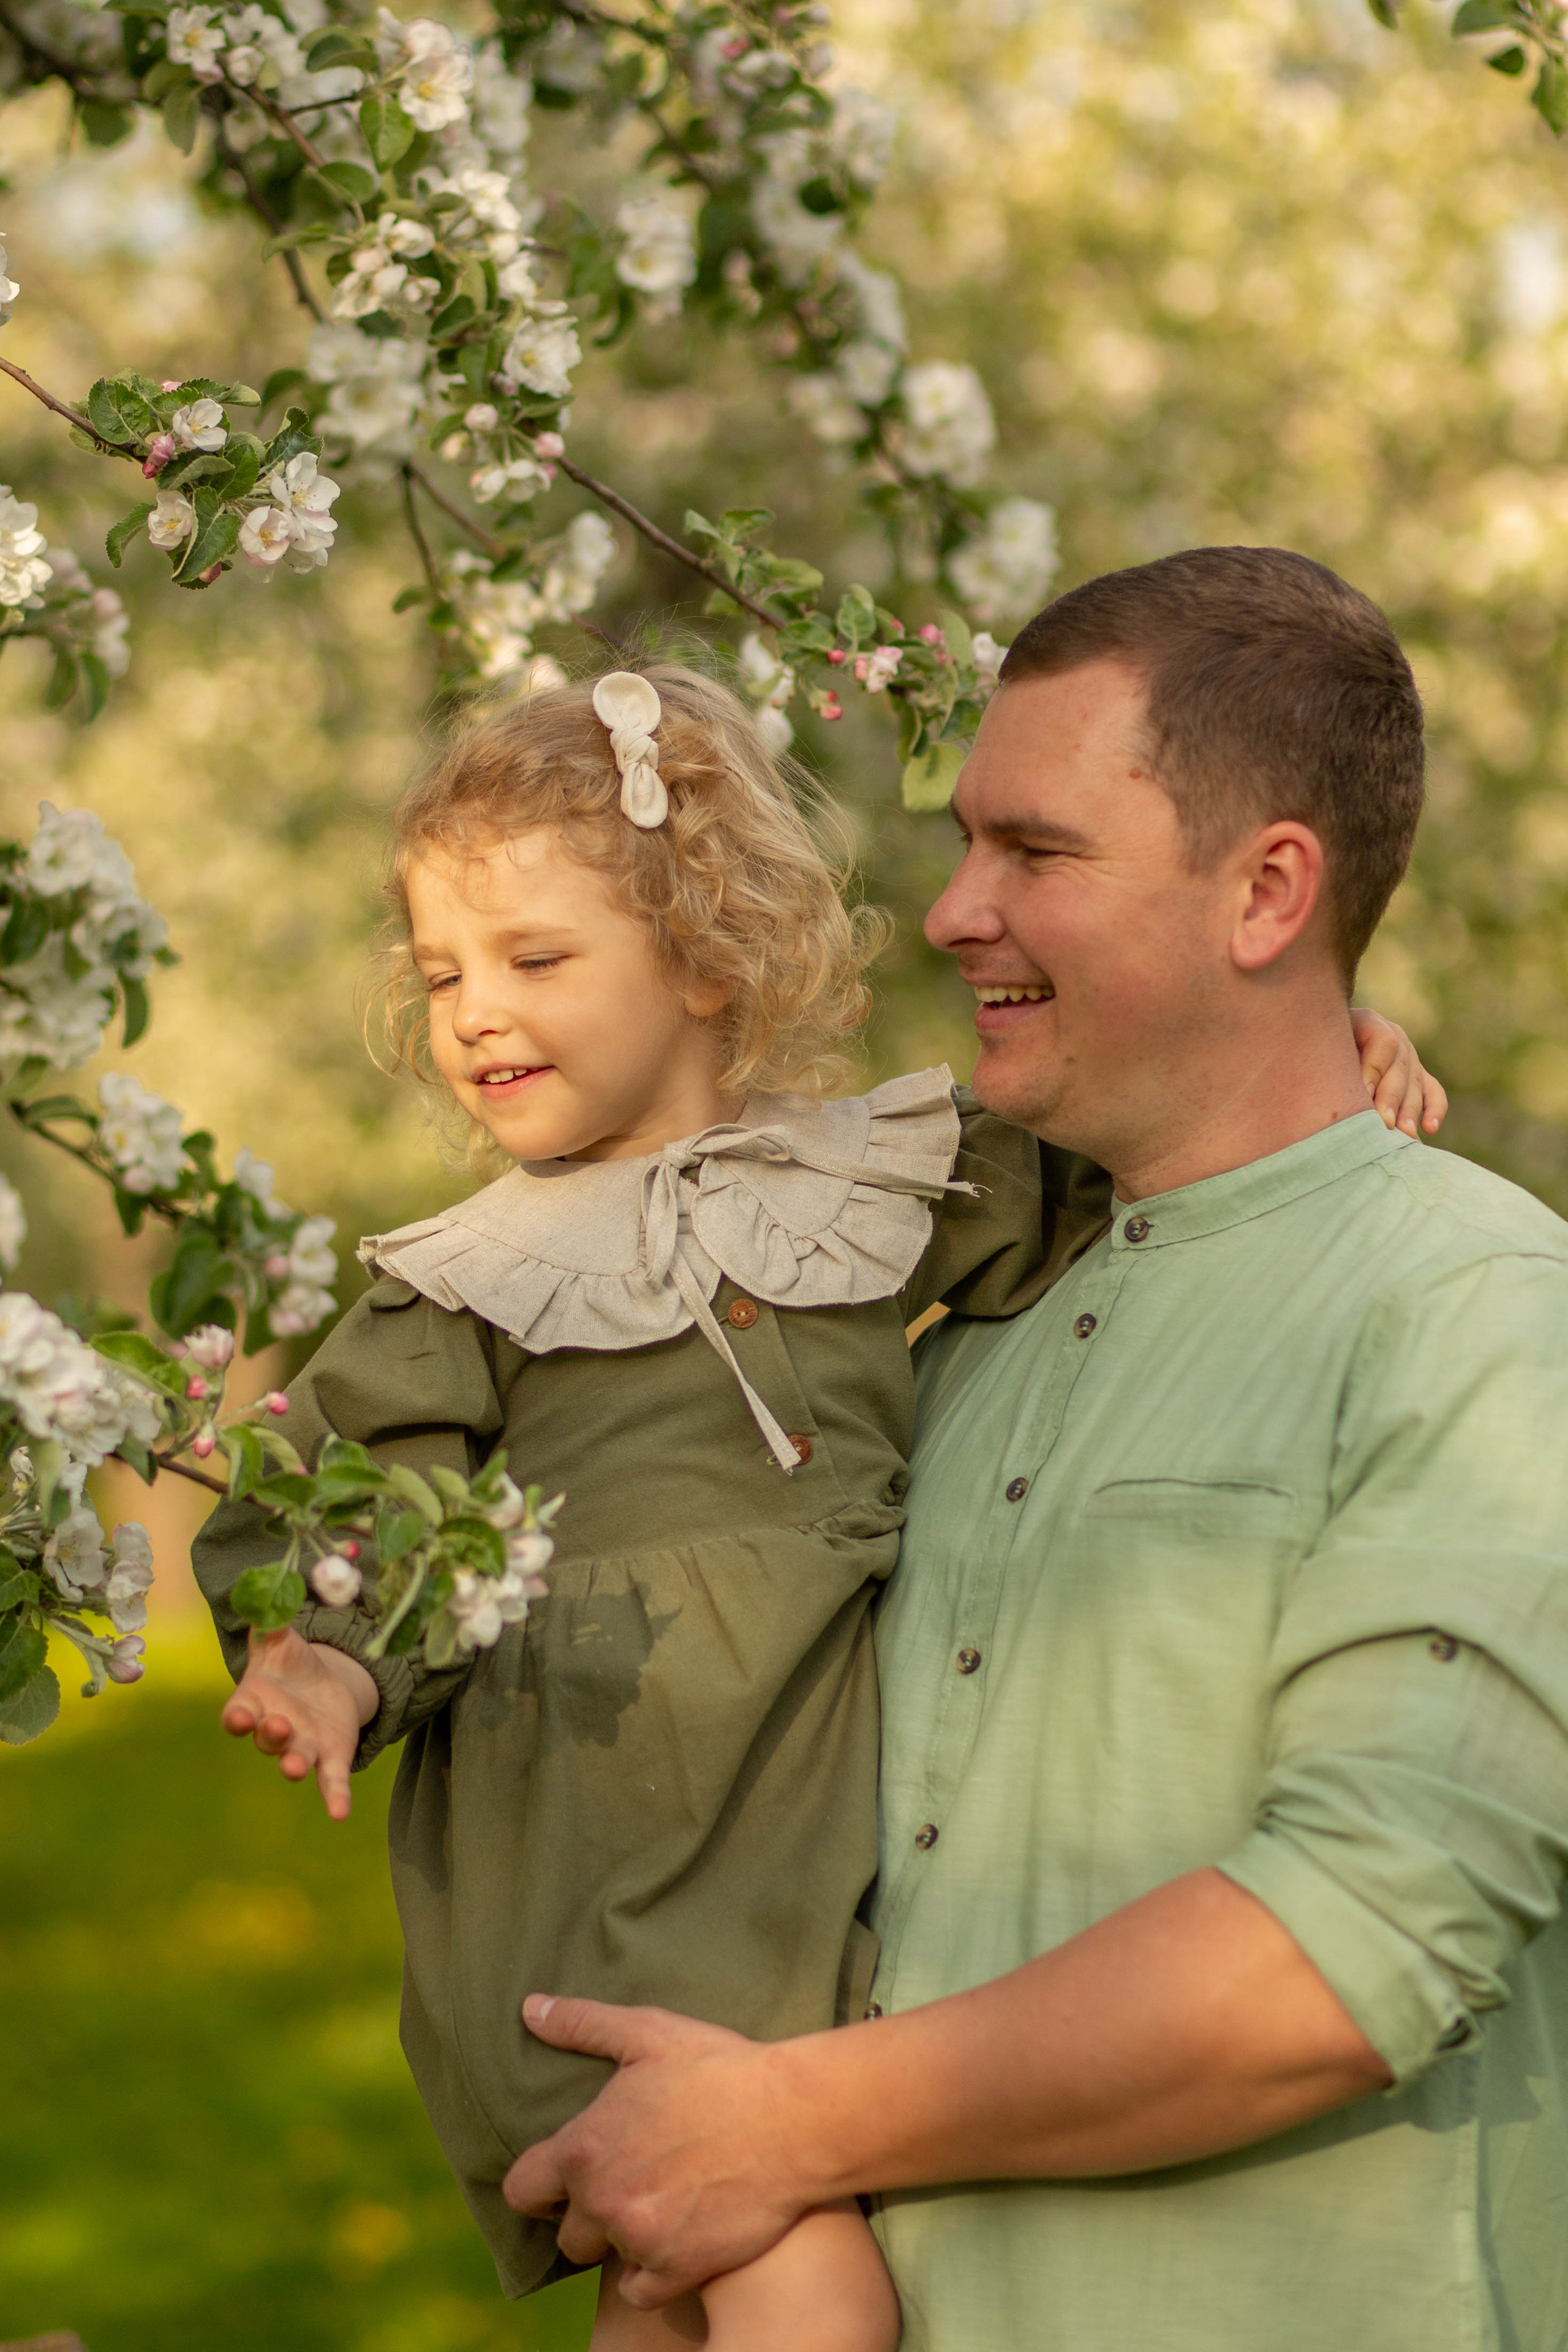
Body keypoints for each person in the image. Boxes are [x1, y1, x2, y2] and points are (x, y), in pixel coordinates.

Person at [500, 548, 1568, 2352]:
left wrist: (782, 2124)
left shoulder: (1479, 1308)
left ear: (1269, 895)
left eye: (1038, 853)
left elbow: (1355, 1945)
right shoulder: (965, 1334)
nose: (951, 912)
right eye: (966, 841)